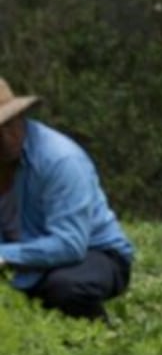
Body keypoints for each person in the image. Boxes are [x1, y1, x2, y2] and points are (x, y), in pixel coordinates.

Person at [0, 79, 134, 320]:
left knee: (65, 287)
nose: (5, 137)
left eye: (10, 125)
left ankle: (96, 337)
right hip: (17, 255)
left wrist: (5, 255)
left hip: (92, 251)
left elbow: (70, 244)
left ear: (20, 117)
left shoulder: (59, 160)